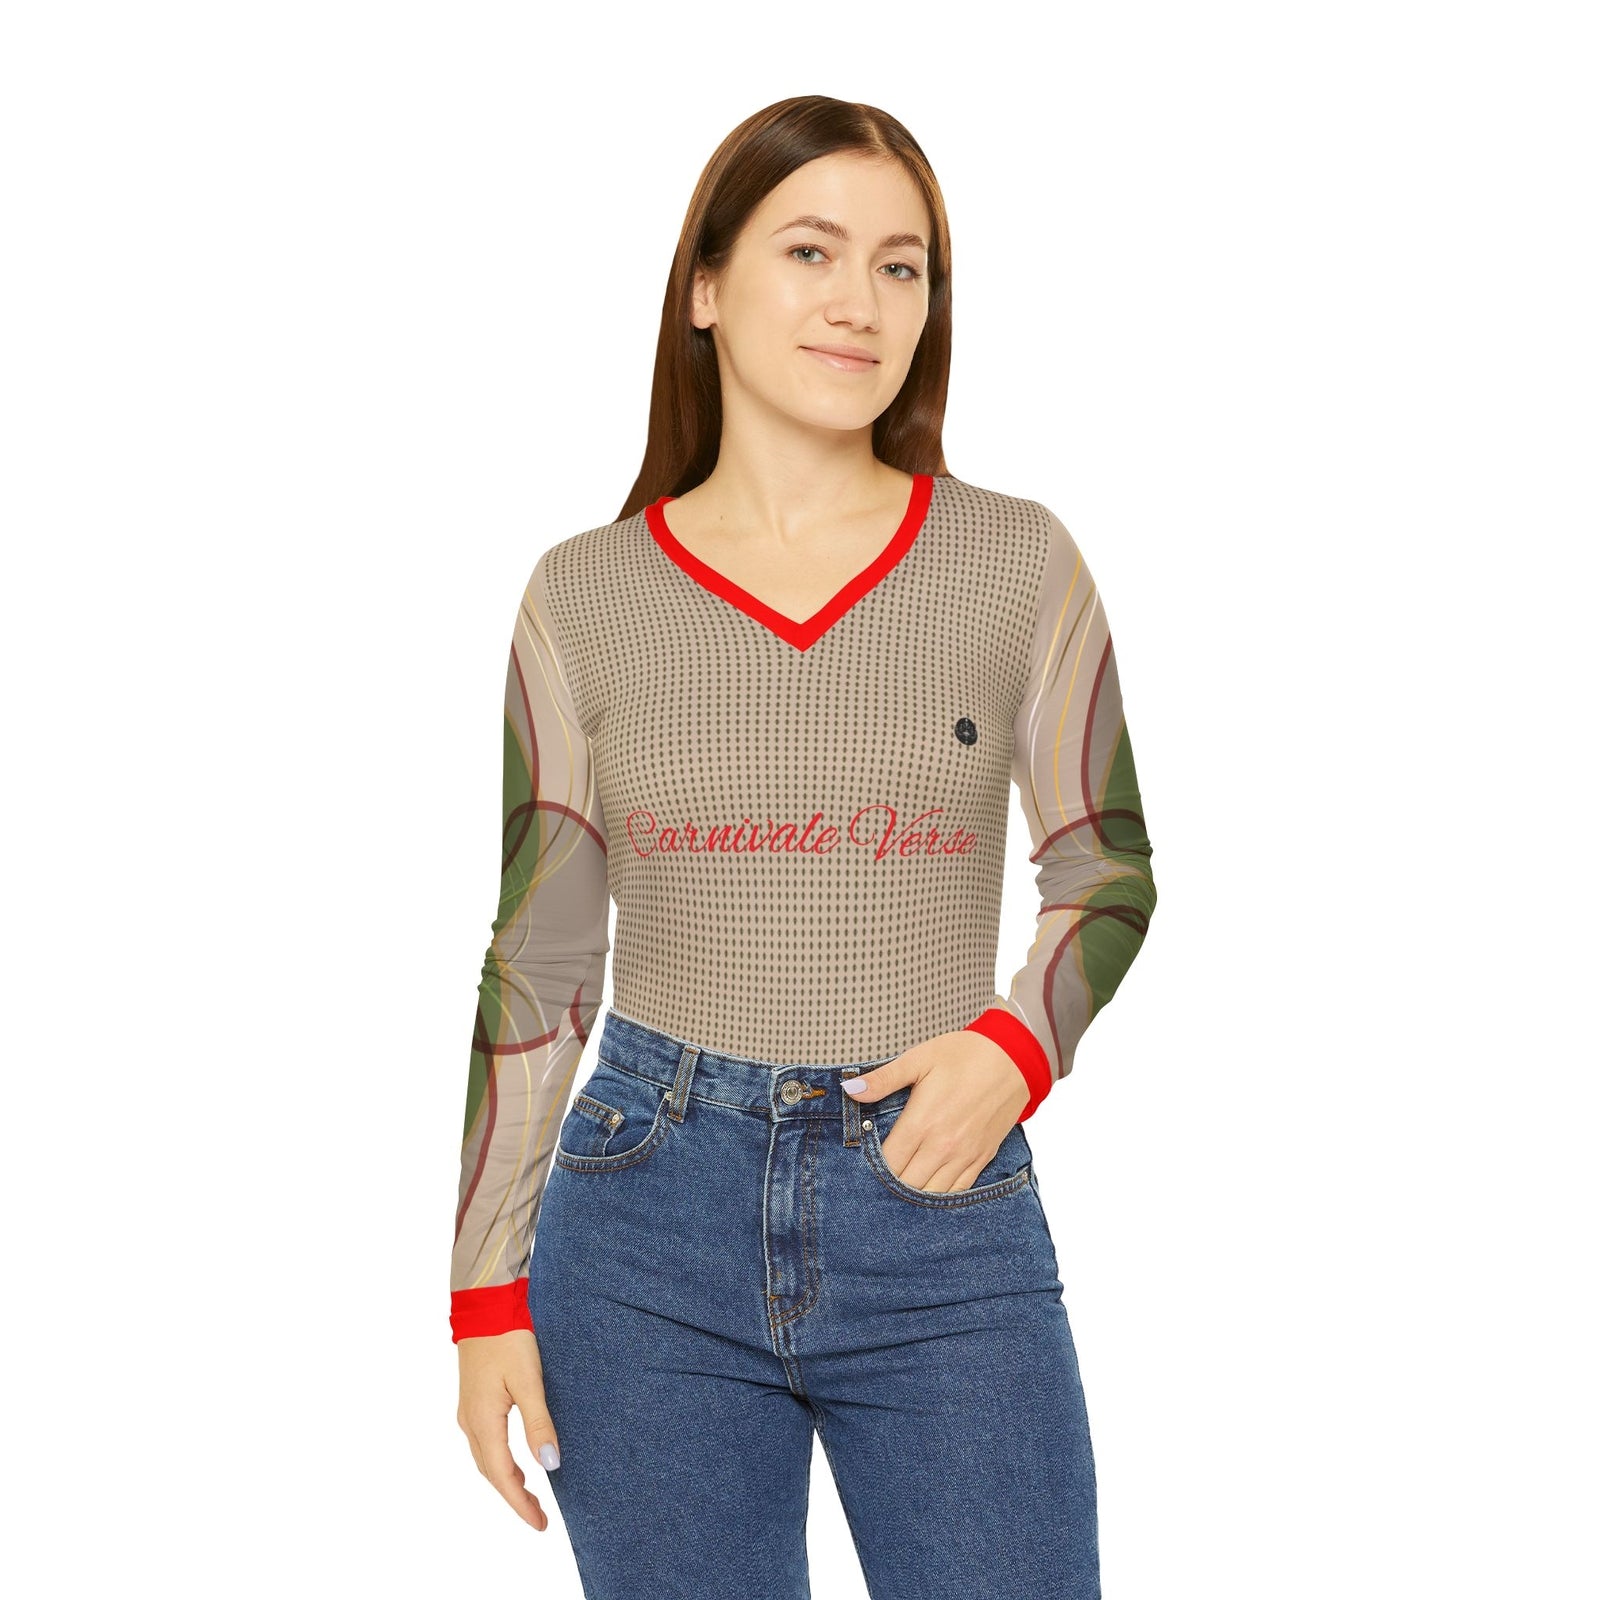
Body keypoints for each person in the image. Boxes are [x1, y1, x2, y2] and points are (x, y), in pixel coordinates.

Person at [451, 94, 1157, 1600]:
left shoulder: (1015, 562)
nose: (862, 302)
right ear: (706, 286)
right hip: (641, 1223)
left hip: (940, 1204)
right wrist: (483, 1292)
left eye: (903, 268)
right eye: (812, 252)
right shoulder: (582, 597)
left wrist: (1015, 1050)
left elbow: (1106, 868)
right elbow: (544, 959)